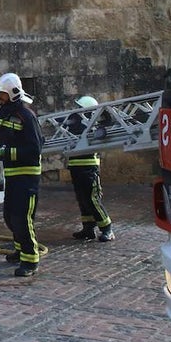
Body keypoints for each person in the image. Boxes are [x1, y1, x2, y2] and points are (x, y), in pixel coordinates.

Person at [0, 72, 43, 277]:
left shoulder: (26, 116)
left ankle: (30, 260)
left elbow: (34, 150)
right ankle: (20, 250)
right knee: (10, 217)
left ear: (12, 93)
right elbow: (2, 138)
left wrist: (5, 153)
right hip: (12, 174)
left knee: (22, 217)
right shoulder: (5, 114)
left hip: (27, 176)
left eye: (2, 94)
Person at [65, 95, 114, 242]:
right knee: (82, 199)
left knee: (93, 199)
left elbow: (108, 121)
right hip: (75, 166)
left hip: (89, 167)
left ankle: (107, 229)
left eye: (80, 108)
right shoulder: (74, 124)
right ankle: (88, 229)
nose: (77, 111)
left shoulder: (93, 125)